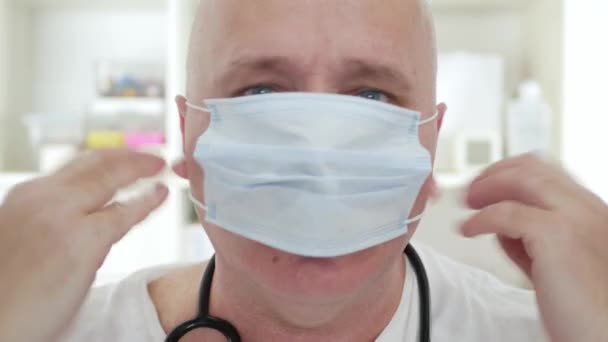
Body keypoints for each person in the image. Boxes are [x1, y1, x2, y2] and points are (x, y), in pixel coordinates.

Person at [0, 0, 607, 341]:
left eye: (371, 97)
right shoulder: (47, 329)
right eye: (262, 92)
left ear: (430, 140)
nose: (319, 157)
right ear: (190, 133)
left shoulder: (554, 333)